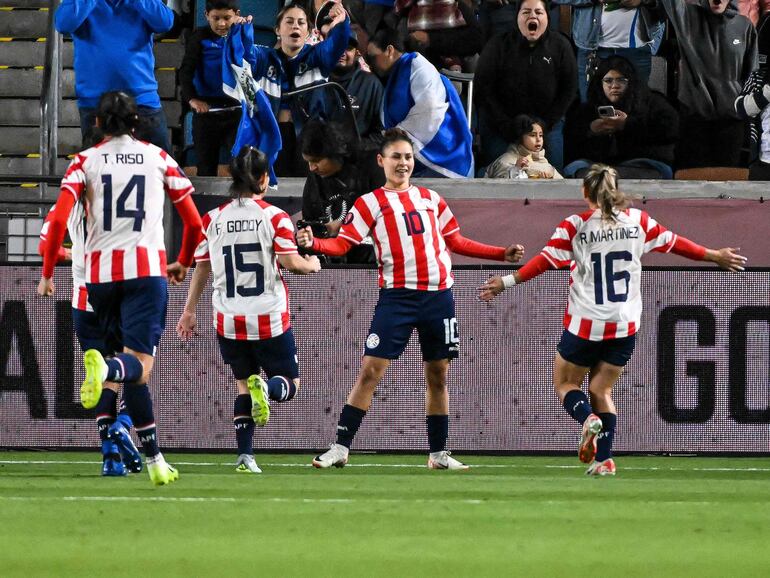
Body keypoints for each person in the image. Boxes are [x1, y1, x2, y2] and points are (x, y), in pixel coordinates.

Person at [479, 164, 746, 475]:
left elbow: (543, 262)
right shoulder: (638, 221)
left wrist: (505, 282)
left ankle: (586, 419)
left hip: (586, 322)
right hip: (624, 323)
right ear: (616, 189)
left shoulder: (575, 226)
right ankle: (604, 460)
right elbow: (678, 244)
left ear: (584, 192)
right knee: (603, 390)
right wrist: (715, 255)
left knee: (566, 383)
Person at [298, 128, 525, 470]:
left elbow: (456, 241)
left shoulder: (431, 199)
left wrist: (500, 253)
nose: (403, 163)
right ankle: (341, 447)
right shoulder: (370, 203)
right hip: (398, 298)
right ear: (381, 161)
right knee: (371, 370)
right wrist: (313, 244)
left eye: (407, 157)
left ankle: (437, 454)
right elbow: (343, 244)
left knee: (438, 375)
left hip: (439, 297)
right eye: (396, 157)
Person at [37, 91, 203, 486]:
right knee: (137, 365)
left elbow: (58, 222)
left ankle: (155, 461)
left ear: (97, 125)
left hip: (98, 280)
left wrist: (46, 273)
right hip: (145, 273)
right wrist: (182, 259)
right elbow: (195, 223)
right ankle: (107, 368)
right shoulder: (159, 157)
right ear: (136, 123)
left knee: (134, 373)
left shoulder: (83, 162)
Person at [176, 146, 321, 474]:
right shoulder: (274, 217)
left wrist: (189, 311)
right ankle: (268, 391)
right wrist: (311, 264)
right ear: (263, 178)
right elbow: (289, 262)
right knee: (289, 383)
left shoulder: (212, 219)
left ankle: (245, 456)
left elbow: (202, 266)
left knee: (244, 383)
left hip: (227, 318)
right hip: (268, 315)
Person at [38, 206, 143, 477]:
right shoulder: (119, 197)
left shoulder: (67, 202)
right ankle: (124, 422)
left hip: (82, 301)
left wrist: (59, 264)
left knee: (102, 374)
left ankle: (110, 458)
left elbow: (45, 245)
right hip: (117, 297)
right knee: (136, 367)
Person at [54, 0, 175, 152]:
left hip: (142, 100)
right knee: (97, 170)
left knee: (162, 169)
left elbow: (165, 23)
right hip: (95, 103)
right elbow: (63, 24)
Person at [249, 2, 352, 176]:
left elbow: (338, 43)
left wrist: (342, 22)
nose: (295, 25)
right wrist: (238, 30)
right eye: (289, 22)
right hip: (272, 136)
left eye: (301, 22)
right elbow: (242, 54)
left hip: (310, 137)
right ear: (277, 30)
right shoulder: (264, 58)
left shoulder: (318, 56)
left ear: (309, 32)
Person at [475, 0, 577, 171]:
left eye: (538, 12)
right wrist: (506, 125)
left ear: (547, 17)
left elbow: (569, 89)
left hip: (547, 127)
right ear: (517, 17)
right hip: (502, 126)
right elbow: (483, 89)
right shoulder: (498, 44)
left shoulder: (560, 45)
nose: (533, 16)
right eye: (526, 12)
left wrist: (544, 125)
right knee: (497, 177)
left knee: (552, 179)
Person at [657, 0, 757, 168]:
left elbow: (752, 75)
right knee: (692, 182)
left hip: (731, 120)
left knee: (727, 182)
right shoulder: (687, 18)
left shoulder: (744, 26)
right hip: (694, 118)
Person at [367, 28, 474, 178]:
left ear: (389, 51)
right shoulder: (395, 74)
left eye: (372, 57)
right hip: (412, 157)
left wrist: (399, 132)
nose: (370, 64)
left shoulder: (419, 66)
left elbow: (430, 109)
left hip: (443, 158)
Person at [564, 55, 678, 179]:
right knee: (576, 168)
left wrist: (627, 124)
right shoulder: (588, 108)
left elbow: (671, 130)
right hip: (598, 165)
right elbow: (571, 141)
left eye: (621, 80)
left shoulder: (652, 102)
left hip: (641, 163)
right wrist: (591, 130)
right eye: (608, 81)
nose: (614, 86)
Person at [179, 0, 254, 175]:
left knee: (242, 165)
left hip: (235, 111)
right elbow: (185, 71)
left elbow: (251, 64)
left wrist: (244, 31)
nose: (221, 24)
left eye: (227, 18)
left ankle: (242, 201)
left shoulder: (240, 33)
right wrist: (192, 99)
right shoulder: (199, 37)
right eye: (216, 18)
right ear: (206, 16)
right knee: (206, 167)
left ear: (237, 14)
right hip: (207, 112)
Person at [300, 119, 383, 263]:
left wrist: (347, 228)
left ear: (336, 153)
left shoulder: (372, 167)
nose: (312, 168)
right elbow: (310, 219)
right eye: (308, 162)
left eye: (317, 161)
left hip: (372, 261)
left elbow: (389, 220)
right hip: (329, 258)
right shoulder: (315, 178)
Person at [551, 0, 664, 102]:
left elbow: (671, 6)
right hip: (592, 50)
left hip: (637, 50)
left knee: (638, 108)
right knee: (590, 109)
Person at [485, 114, 563, 179]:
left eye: (541, 135)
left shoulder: (546, 164)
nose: (538, 139)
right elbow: (499, 188)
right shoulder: (506, 160)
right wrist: (515, 170)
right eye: (532, 135)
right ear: (520, 137)